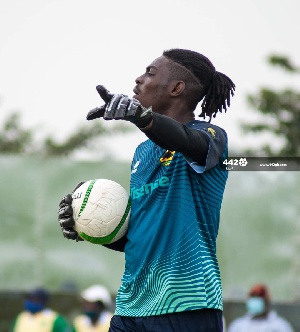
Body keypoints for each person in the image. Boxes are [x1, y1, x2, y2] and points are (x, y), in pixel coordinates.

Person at [58, 48, 236, 331]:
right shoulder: (143, 151)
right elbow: (140, 238)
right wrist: (90, 226)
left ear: (177, 88)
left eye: (150, 73)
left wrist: (143, 118)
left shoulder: (211, 137)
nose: (139, 79)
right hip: (131, 307)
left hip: (186, 303)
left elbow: (186, 140)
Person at [227, 284, 294, 332]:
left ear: (266, 301)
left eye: (258, 297)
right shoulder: (239, 326)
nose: (255, 301)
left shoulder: (279, 326)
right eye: (253, 297)